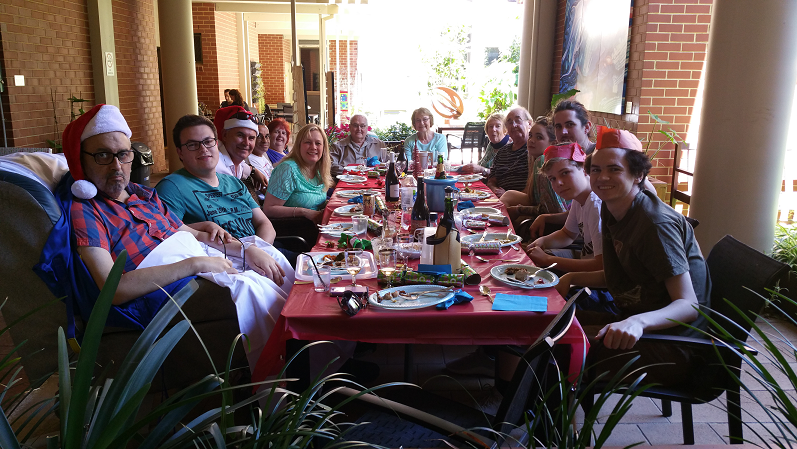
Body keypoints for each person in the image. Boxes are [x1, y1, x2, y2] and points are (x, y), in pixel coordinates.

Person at [62, 104, 294, 369]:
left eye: (123, 155)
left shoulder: (141, 193)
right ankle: (273, 386)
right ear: (82, 160)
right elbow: (113, 288)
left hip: (194, 257)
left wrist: (241, 249)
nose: (117, 166)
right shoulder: (86, 210)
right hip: (164, 281)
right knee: (254, 287)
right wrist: (196, 264)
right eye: (103, 155)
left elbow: (188, 232)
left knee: (279, 272)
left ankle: (296, 362)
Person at [555, 126, 710, 385]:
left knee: (555, 348)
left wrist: (637, 322)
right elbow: (619, 274)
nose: (602, 177)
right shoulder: (612, 207)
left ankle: (552, 422)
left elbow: (688, 304)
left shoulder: (654, 224)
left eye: (614, 169)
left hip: (672, 346)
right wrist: (570, 277)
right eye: (596, 169)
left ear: (638, 175)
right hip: (635, 324)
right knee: (549, 325)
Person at [155, 114, 291, 280]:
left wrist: (257, 251)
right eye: (192, 145)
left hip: (262, 252)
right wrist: (245, 252)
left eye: (208, 141)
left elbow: (264, 222)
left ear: (216, 143)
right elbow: (169, 233)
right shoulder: (172, 187)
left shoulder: (234, 182)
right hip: (228, 269)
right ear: (180, 153)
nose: (203, 149)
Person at [526, 142, 603, 273]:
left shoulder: (596, 204)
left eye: (565, 173)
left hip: (596, 278)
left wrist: (547, 260)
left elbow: (601, 266)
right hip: (585, 260)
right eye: (552, 179)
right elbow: (567, 234)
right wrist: (542, 242)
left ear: (584, 168)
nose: (559, 183)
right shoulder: (579, 199)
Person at [500, 115, 569, 226]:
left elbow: (551, 210)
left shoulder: (544, 162)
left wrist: (519, 209)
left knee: (511, 213)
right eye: (531, 136)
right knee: (509, 195)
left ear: (553, 143)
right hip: (544, 213)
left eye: (539, 137)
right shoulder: (535, 159)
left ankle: (494, 231)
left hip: (558, 222)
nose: (531, 140)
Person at [263, 123, 332, 224]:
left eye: (318, 143)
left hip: (318, 226)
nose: (313, 147)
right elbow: (269, 209)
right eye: (308, 142)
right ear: (299, 145)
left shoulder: (319, 168)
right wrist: (304, 212)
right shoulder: (288, 170)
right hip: (296, 230)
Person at [212, 106, 268, 192]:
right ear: (224, 135)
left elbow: (244, 167)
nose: (246, 143)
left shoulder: (237, 161)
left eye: (251, 138)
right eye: (240, 135)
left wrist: (253, 171)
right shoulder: (215, 166)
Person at [486, 107, 532, 198]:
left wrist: (508, 196)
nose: (513, 125)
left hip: (519, 202)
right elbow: (491, 180)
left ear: (529, 124)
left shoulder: (532, 150)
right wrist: (495, 190)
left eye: (518, 120)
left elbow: (532, 187)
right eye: (510, 122)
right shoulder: (502, 152)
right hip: (498, 199)